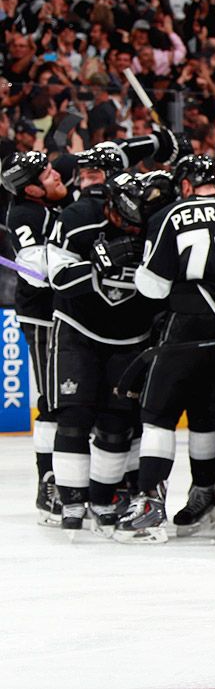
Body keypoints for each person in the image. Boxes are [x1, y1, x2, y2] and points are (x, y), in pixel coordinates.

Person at [121, 155, 215, 543]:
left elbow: (153, 288)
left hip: (186, 327)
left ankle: (150, 503)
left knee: (158, 416)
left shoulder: (171, 214)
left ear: (185, 186)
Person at [45, 172, 161, 533]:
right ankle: (71, 504)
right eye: (123, 222)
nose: (129, 229)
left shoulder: (156, 224)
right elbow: (57, 277)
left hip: (130, 338)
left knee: (116, 425)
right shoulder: (77, 217)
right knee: (74, 417)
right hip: (79, 331)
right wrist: (97, 263)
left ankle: (102, 499)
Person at [2, 151, 68, 526]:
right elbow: (36, 274)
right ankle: (49, 481)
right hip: (43, 316)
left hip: (68, 313)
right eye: (44, 172)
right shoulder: (25, 215)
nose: (53, 173)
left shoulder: (51, 196)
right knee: (53, 400)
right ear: (30, 189)